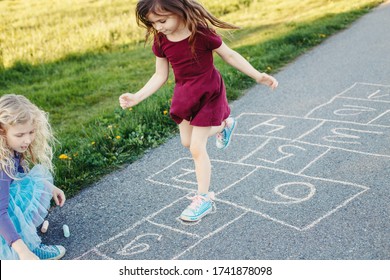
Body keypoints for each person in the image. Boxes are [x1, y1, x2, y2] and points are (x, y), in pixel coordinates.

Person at [119, 0, 278, 222]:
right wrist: (137, 96)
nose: (158, 27)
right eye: (153, 23)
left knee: (196, 147)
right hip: (185, 94)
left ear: (179, 11)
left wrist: (257, 75)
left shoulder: (200, 33)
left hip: (208, 92)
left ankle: (204, 198)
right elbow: (160, 75)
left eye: (162, 20)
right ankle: (225, 125)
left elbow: (229, 55)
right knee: (187, 141)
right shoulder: (161, 40)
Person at [0, 94, 66, 260]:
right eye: (20, 135)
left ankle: (22, 240)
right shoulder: (2, 164)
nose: (28, 139)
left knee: (31, 182)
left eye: (31, 132)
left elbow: (21, 175)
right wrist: (23, 251)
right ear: (2, 131)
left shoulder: (10, 147)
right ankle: (29, 247)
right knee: (13, 201)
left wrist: (49, 187)